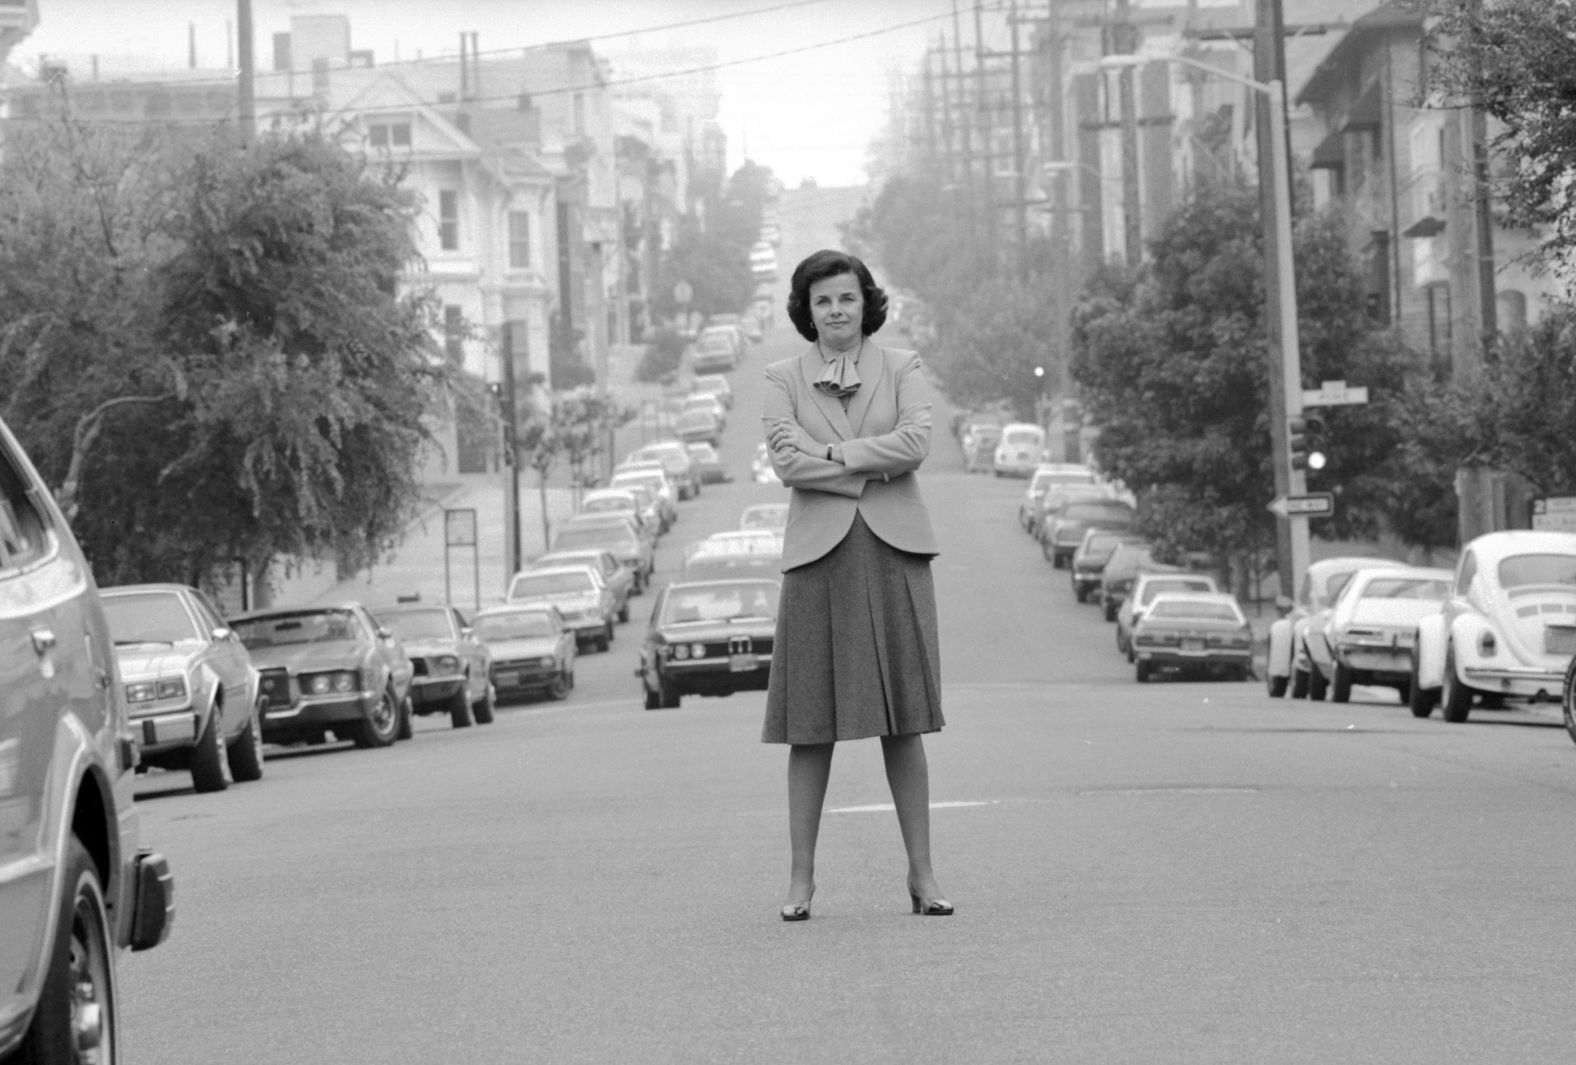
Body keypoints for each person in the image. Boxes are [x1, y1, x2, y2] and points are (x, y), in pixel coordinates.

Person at [761, 249, 952, 922]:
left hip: (894, 552)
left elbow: (916, 443)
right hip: (818, 558)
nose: (836, 311)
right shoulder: (782, 378)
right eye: (822, 301)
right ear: (805, 311)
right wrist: (870, 464)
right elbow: (786, 463)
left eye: (846, 298)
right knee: (809, 725)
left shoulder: (901, 367)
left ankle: (923, 874)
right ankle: (800, 879)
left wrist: (835, 457)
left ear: (865, 301)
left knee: (905, 722)